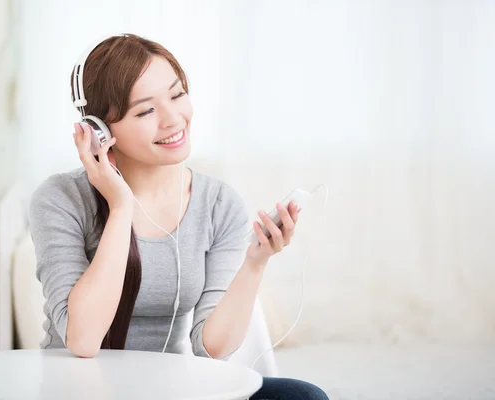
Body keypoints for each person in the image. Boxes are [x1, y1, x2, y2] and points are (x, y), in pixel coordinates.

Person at [29, 33, 329, 400]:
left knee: (301, 396)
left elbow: (212, 350)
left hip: (171, 390)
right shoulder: (60, 199)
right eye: (144, 111)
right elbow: (83, 339)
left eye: (176, 95)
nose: (174, 119)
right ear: (99, 130)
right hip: (79, 393)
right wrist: (121, 205)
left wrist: (255, 262)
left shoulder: (218, 203)